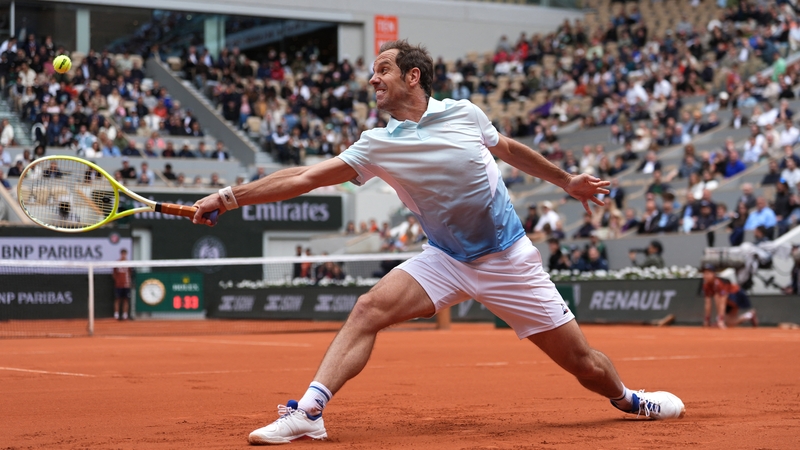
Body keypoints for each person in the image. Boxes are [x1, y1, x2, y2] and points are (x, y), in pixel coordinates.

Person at [192, 40, 684, 445]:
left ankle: (627, 399)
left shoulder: (466, 114)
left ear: (413, 76)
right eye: (371, 72)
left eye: (382, 69)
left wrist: (566, 181)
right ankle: (310, 411)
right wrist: (228, 196)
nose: (372, 79)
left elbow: (508, 149)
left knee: (583, 365)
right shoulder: (376, 144)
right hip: (445, 259)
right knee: (368, 309)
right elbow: (304, 177)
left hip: (509, 259)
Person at [112, 249, 133, 321]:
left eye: (125, 254)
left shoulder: (128, 264)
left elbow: (130, 273)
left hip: (126, 285)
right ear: (120, 254)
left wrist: (128, 282)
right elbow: (114, 274)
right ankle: (116, 315)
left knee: (126, 300)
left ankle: (125, 315)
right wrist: (118, 281)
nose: (123, 255)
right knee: (117, 299)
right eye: (122, 254)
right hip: (118, 285)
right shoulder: (117, 263)